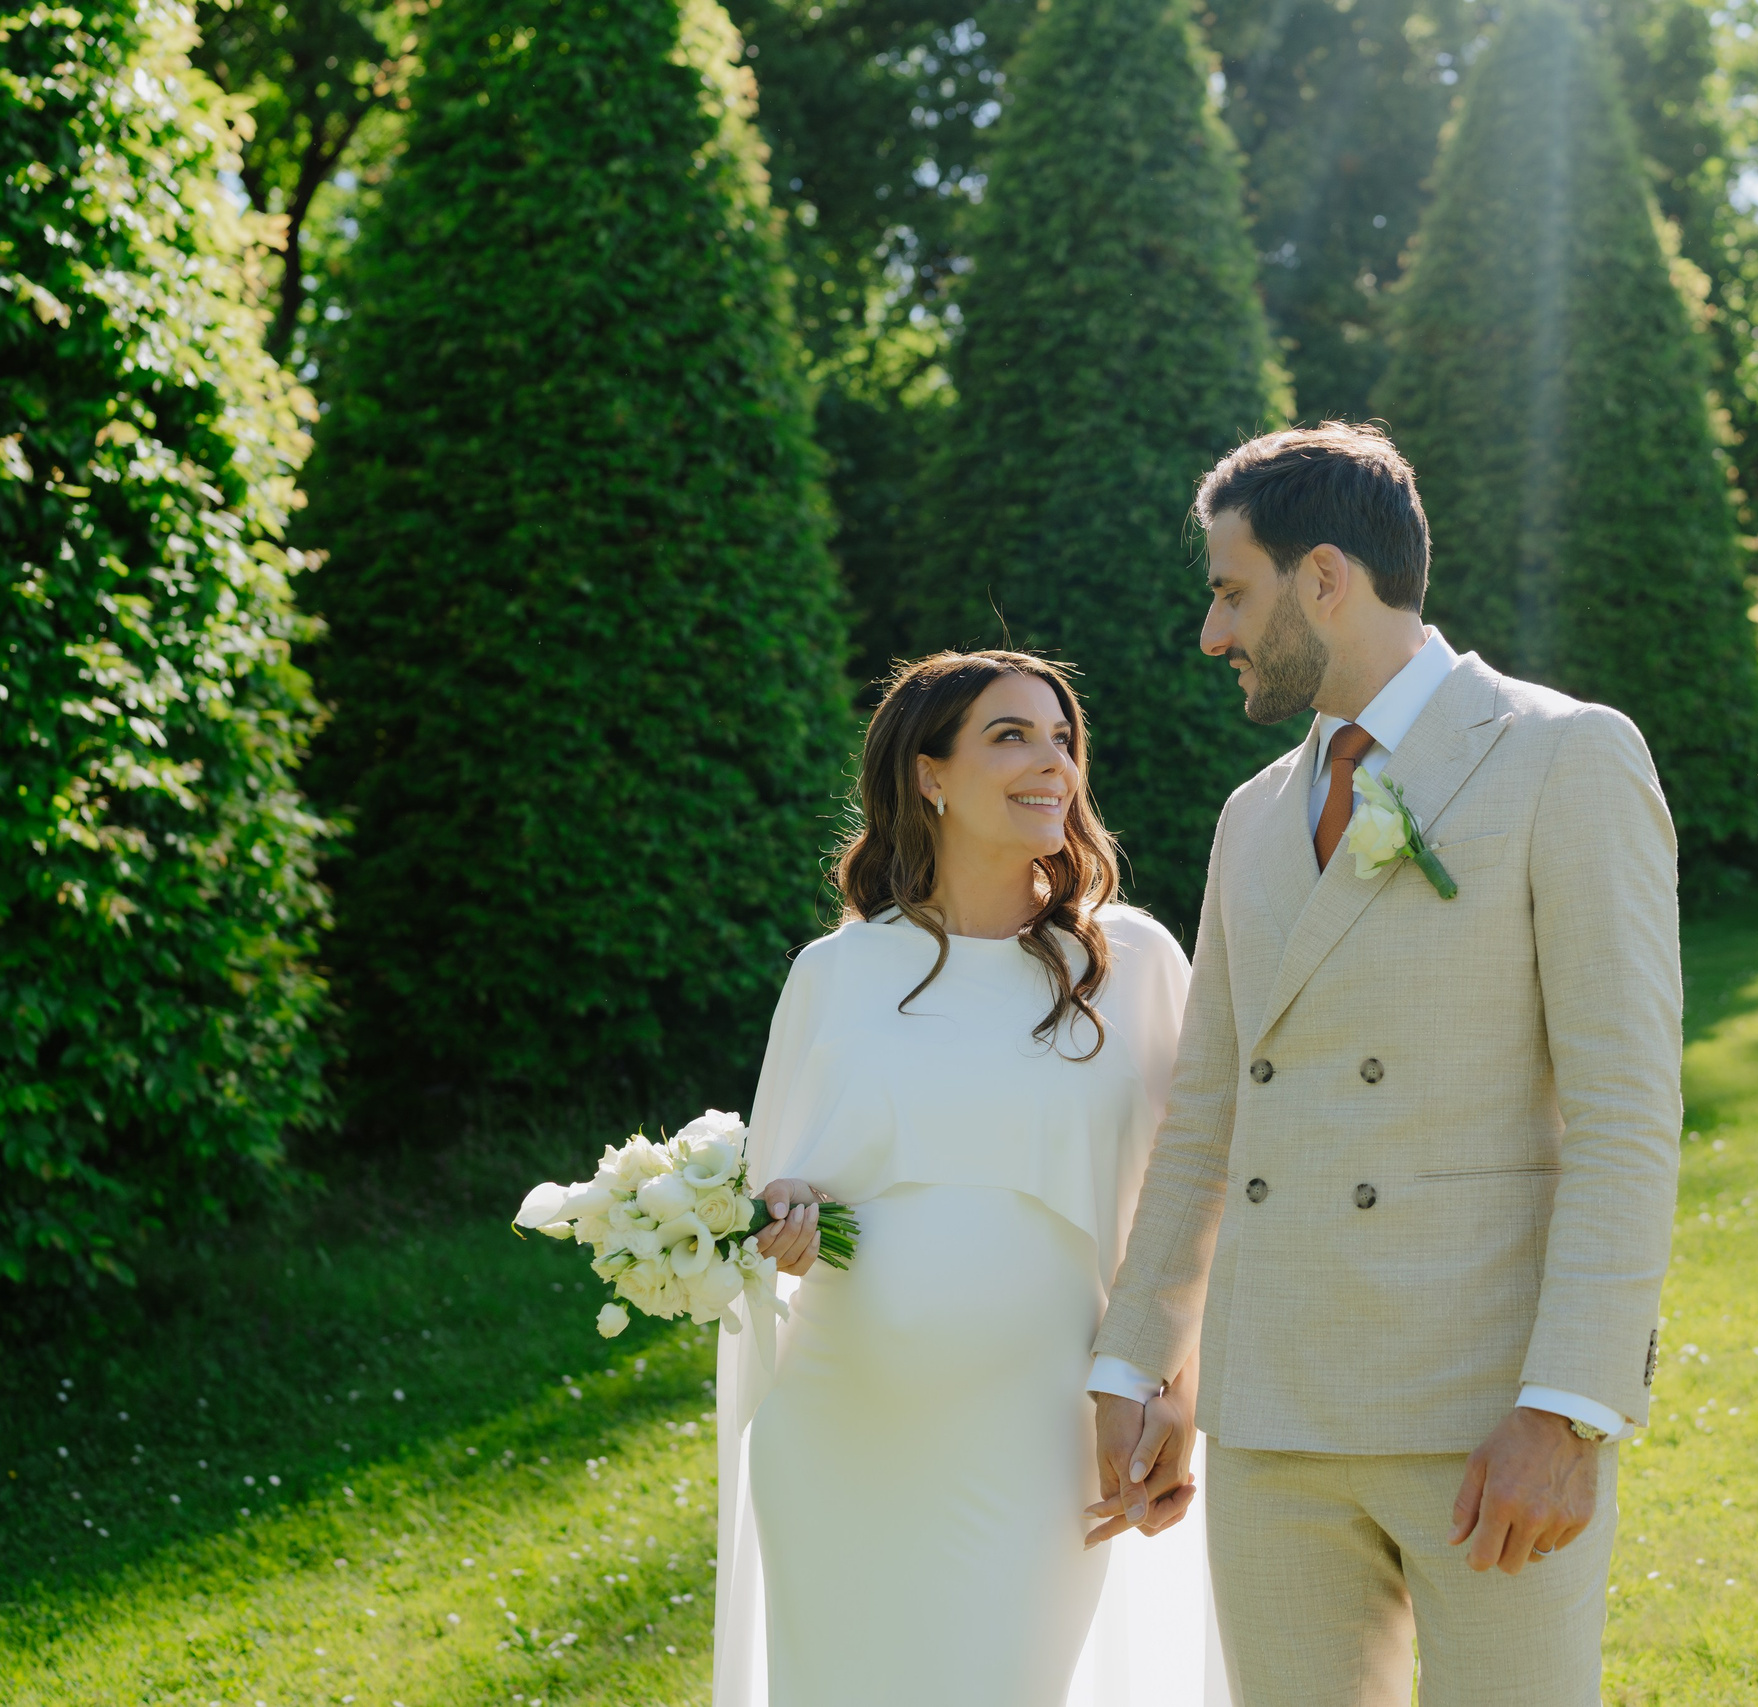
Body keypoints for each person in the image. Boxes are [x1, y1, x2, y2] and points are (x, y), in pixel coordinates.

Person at [1086, 422, 1684, 1706]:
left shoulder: (1564, 756)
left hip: (1484, 1416)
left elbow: (1627, 1117)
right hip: (1272, 1419)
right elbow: (1204, 1118)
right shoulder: (1252, 815)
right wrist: (1133, 1365)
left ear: (1322, 578)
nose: (1212, 634)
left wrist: (1568, 1410)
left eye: (1229, 591)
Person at [710, 651, 1221, 1707]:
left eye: (1061, 739)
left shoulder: (1128, 966)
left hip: (1041, 1439)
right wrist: (784, 1224)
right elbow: (772, 1201)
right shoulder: (836, 974)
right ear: (929, 777)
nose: (1052, 764)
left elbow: (1201, 1192)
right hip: (841, 1434)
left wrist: (1179, 1382)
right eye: (1010, 735)